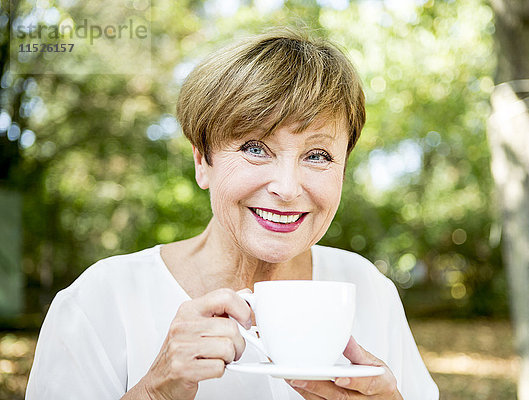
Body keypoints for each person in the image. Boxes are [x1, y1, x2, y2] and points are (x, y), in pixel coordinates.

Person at [25, 28, 439, 400]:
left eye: (317, 155)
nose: (288, 188)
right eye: (255, 148)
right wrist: (153, 394)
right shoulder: (101, 300)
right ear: (202, 161)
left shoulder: (368, 289)